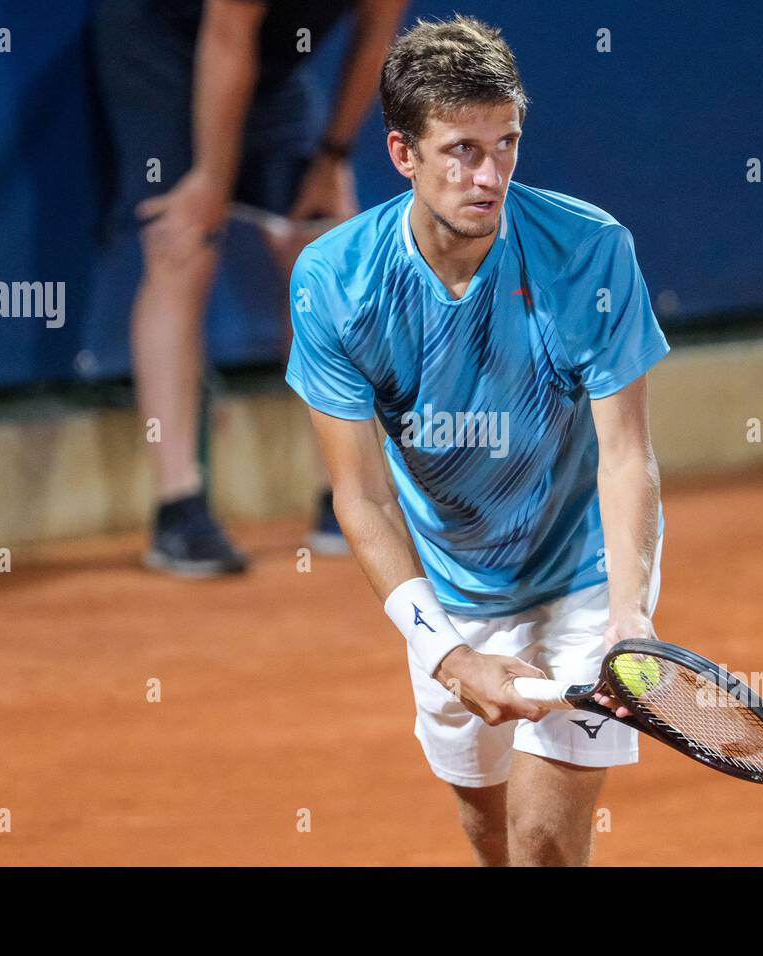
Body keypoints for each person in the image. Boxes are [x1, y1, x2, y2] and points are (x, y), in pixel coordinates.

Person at [286, 16, 670, 865]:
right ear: (402, 154)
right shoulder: (336, 281)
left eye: (506, 144)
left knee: (542, 845)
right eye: (460, 149)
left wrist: (628, 614)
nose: (489, 174)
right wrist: (450, 655)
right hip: (452, 586)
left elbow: (626, 455)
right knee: (487, 834)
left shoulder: (591, 252)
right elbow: (361, 495)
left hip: (582, 572)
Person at [92, 0, 408, 576]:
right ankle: (178, 508)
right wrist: (211, 179)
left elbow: (374, 39)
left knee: (326, 249)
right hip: (164, 44)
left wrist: (333, 157)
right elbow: (225, 31)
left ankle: (349, 497)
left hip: (271, 62)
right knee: (183, 244)